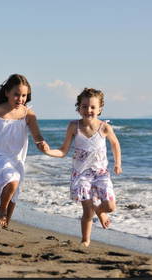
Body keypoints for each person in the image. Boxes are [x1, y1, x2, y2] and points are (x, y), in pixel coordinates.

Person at [40, 88, 122, 247]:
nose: (88, 110)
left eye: (92, 107)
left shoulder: (105, 128)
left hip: (101, 174)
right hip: (81, 175)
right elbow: (63, 151)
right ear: (78, 108)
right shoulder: (74, 126)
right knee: (87, 210)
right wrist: (48, 151)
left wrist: (118, 163)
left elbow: (115, 144)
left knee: (111, 206)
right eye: (84, 106)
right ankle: (85, 240)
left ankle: (100, 211)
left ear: (100, 109)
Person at [0, 74, 46, 228]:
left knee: (15, 189)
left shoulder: (28, 114)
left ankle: (5, 224)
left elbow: (36, 134)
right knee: (12, 180)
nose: (20, 99)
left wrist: (41, 142)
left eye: (24, 95)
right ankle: (1, 210)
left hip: (17, 157)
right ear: (7, 93)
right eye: (16, 94)